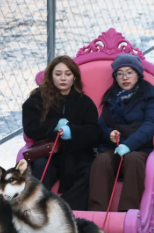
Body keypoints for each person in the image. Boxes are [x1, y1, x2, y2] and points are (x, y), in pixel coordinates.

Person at [21, 56, 99, 210]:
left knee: (89, 170)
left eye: (68, 74)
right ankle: (37, 208)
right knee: (42, 166)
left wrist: (73, 132)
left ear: (74, 76)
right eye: (58, 74)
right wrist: (54, 125)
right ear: (51, 76)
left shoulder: (84, 102)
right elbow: (30, 128)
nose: (63, 78)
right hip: (49, 151)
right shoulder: (37, 99)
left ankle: (62, 208)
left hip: (77, 152)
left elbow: (94, 132)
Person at [89, 54, 154, 212]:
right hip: (114, 147)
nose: (125, 77)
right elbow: (101, 126)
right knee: (102, 160)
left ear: (138, 74)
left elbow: (153, 123)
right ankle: (97, 212)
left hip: (140, 148)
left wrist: (129, 145)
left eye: (129, 72)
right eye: (120, 73)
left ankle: (128, 213)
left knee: (133, 159)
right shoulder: (111, 97)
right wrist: (109, 133)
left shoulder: (150, 95)